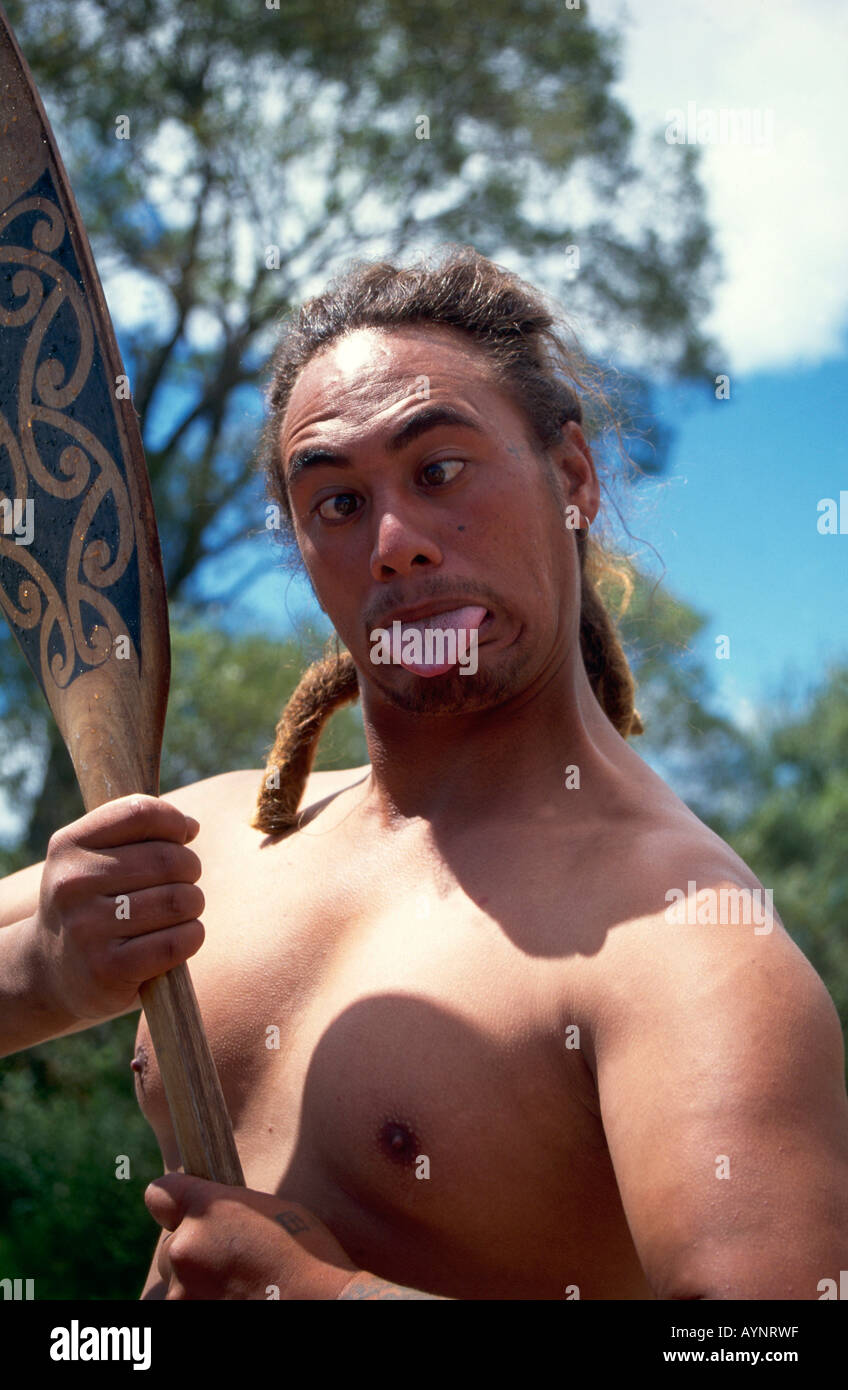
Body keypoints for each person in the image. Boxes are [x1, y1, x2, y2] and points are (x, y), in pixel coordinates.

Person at [1, 249, 846, 1300]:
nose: (394, 543)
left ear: (572, 478)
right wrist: (45, 970)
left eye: (439, 470)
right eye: (338, 503)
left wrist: (327, 1296)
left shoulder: (684, 944)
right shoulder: (198, 845)